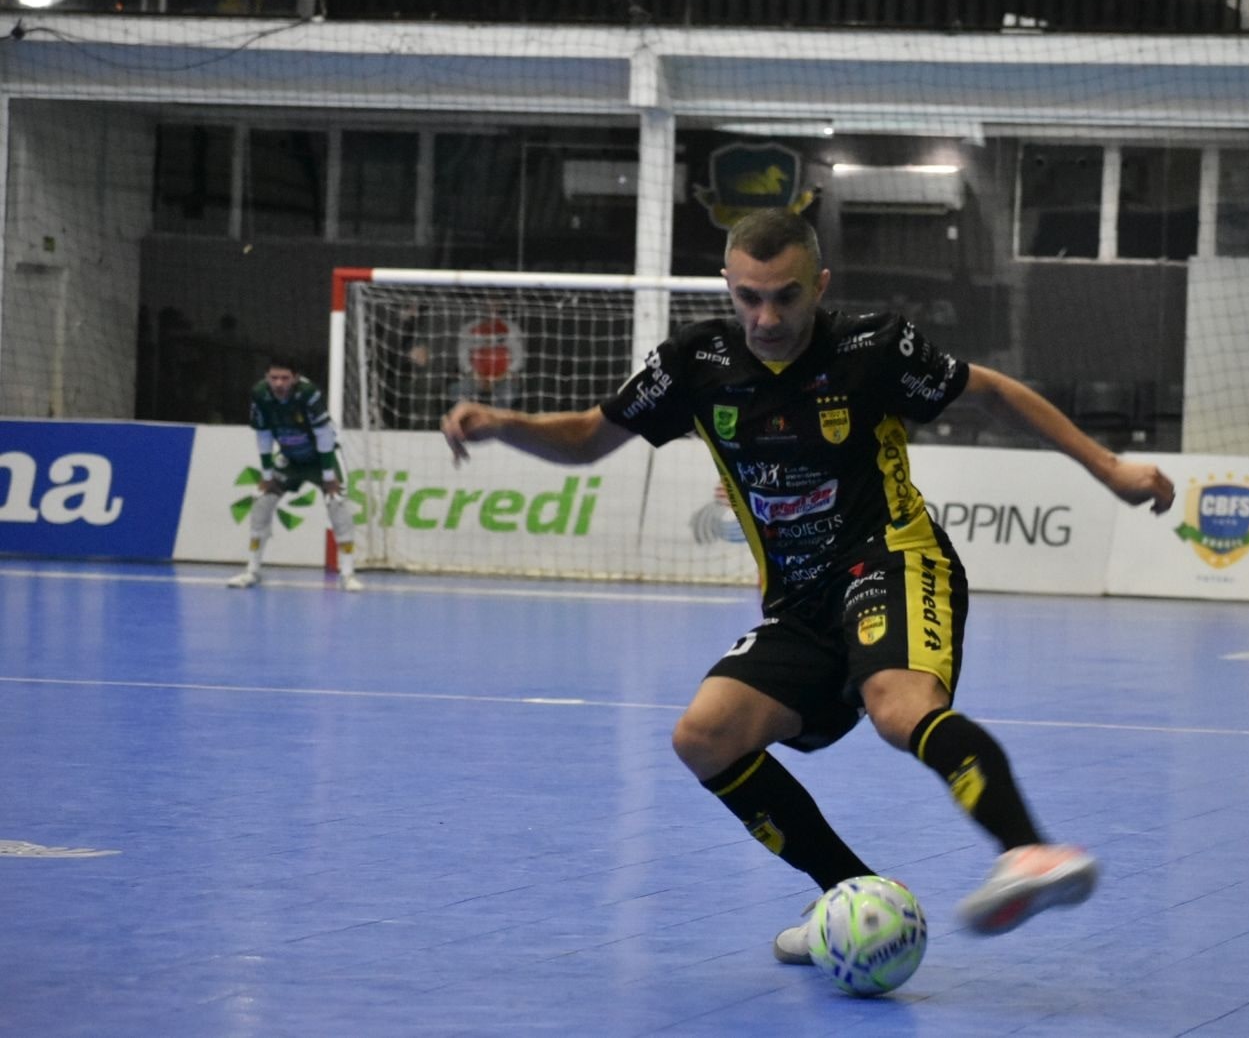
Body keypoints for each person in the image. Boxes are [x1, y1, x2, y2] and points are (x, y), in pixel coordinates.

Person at [440, 209, 1174, 959]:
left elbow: (993, 392)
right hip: (799, 603)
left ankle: (1026, 851)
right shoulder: (696, 363)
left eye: (786, 297)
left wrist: (1108, 467)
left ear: (819, 286)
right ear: (727, 285)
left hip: (892, 558)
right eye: (748, 297)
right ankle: (855, 898)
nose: (765, 317)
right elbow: (593, 437)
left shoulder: (873, 347)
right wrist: (505, 423)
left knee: (898, 708)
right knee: (705, 736)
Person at [227, 355, 363, 592]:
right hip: (290, 456)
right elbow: (264, 435)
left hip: (323, 456)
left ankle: (347, 573)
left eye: (285, 378)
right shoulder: (260, 394)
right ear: (266, 378)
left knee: (337, 503)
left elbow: (324, 435)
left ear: (295, 378)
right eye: (274, 378)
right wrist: (267, 474)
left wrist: (329, 477)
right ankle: (252, 571)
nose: (279, 384)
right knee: (261, 501)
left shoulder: (308, 393)